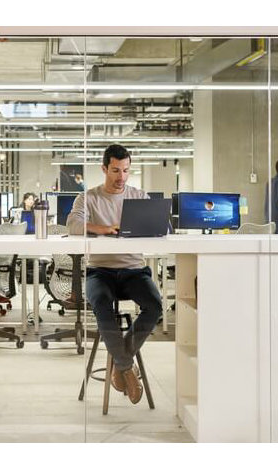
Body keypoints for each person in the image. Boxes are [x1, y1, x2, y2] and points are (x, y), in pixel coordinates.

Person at [66, 144, 162, 405]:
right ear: (104, 169)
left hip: (134, 270)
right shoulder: (88, 198)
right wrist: (104, 228)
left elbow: (161, 226)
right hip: (101, 271)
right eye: (116, 171)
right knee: (100, 305)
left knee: (154, 306)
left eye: (126, 171)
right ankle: (125, 366)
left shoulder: (138, 196)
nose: (121, 177)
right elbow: (73, 225)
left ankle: (120, 365)